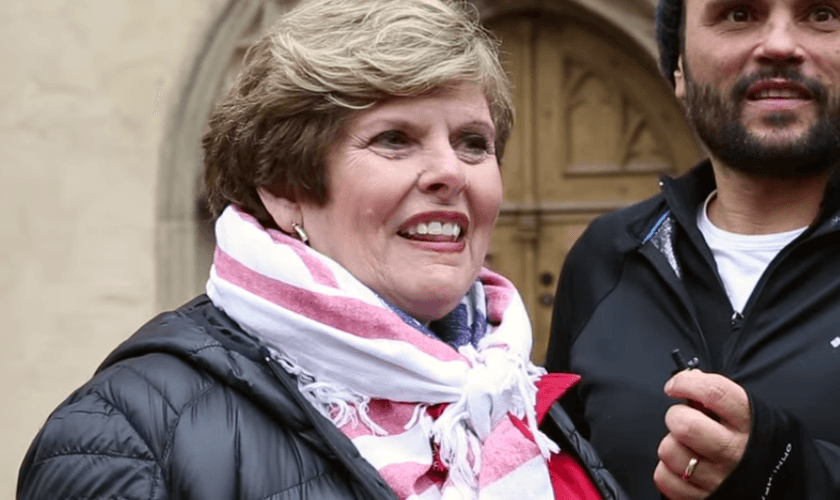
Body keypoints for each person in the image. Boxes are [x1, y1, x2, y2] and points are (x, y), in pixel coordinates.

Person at [18, 1, 626, 499]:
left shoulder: (510, 393)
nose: (451, 171)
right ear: (287, 191)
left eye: (473, 143)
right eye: (394, 139)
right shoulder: (127, 434)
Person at [545, 0, 840, 498]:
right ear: (677, 65)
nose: (780, 45)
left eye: (822, 14)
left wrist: (781, 469)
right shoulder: (606, 256)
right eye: (738, 13)